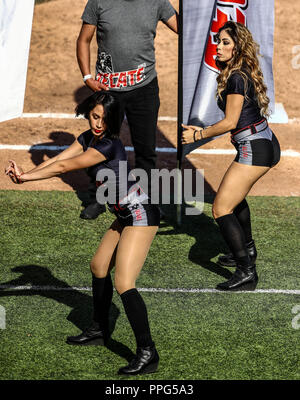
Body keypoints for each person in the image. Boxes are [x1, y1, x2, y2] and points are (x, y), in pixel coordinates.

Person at [5, 92, 161, 376]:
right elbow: (60, 158)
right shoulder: (88, 138)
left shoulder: (110, 145)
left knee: (125, 282)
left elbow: (64, 167)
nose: (99, 123)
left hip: (139, 213)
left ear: (114, 119)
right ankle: (100, 330)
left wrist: (25, 178)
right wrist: (26, 172)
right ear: (88, 113)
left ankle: (148, 352)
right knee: (98, 266)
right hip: (123, 213)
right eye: (94, 116)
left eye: (104, 118)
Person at [182, 21, 281, 291]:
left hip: (255, 149)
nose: (219, 46)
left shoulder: (237, 77)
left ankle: (246, 271)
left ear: (238, 46)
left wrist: (197, 136)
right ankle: (246, 251)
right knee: (234, 200)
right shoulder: (238, 71)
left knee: (220, 208)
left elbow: (229, 122)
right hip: (264, 142)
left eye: (226, 42)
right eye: (218, 41)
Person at [76, 0, 178, 219]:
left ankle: (144, 201)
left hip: (145, 89)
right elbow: (84, 40)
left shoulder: (157, 1)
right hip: (108, 89)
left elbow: (183, 28)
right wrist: (87, 78)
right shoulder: (99, 2)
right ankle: (98, 198)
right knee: (101, 147)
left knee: (146, 149)